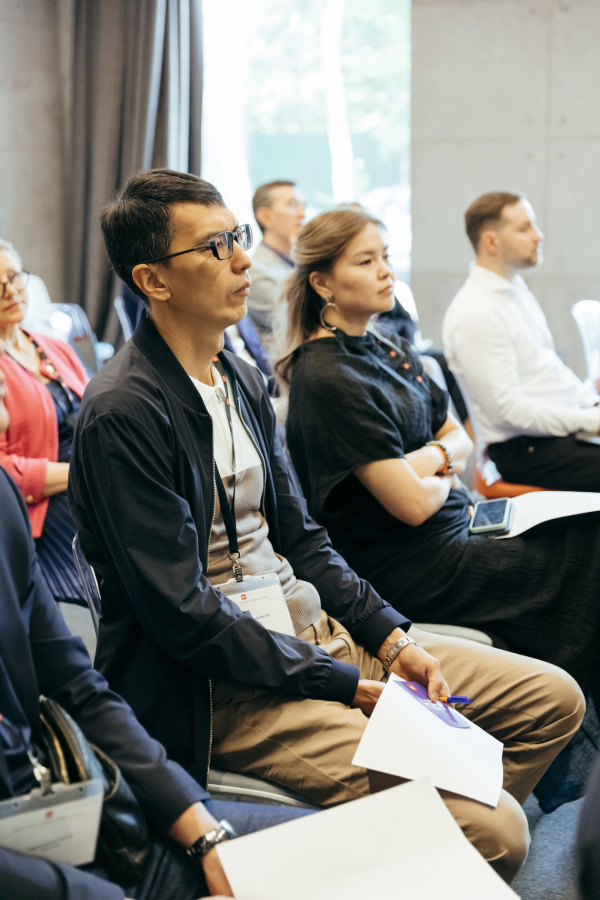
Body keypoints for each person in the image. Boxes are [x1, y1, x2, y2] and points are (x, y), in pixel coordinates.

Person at [68, 168, 584, 885]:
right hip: (230, 688)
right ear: (153, 280)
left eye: (237, 236)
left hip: (319, 637)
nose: (243, 259)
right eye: (215, 247)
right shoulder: (123, 412)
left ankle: (427, 866)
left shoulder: (239, 377)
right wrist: (341, 683)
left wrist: (392, 639)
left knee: (551, 701)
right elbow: (182, 613)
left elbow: (305, 538)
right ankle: (428, 856)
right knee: (496, 827)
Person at [0, 339, 311, 900]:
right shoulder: (123, 407)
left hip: (72, 813)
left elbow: (78, 689)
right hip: (36, 869)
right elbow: (185, 610)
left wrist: (204, 835)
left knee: (330, 855)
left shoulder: (1, 507)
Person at [278, 205, 600, 717]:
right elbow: (410, 506)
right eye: (366, 261)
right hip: (414, 561)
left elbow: (459, 437)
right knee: (588, 552)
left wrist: (430, 461)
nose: (386, 271)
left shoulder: (386, 344)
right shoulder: (327, 377)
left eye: (385, 256)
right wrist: (446, 470)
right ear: (323, 283)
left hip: (459, 522)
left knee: (585, 526)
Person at [442, 191, 600, 490]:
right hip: (525, 452)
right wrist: (591, 421)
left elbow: (551, 371)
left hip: (555, 436)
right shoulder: (477, 312)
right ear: (491, 241)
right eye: (524, 228)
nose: (538, 236)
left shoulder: (515, 290)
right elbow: (509, 412)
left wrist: (592, 404)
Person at [0, 239, 89, 606]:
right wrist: (80, 474)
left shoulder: (55, 347)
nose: (10, 291)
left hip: (91, 480)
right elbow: (3, 470)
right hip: (44, 505)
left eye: (14, 277)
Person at [247, 180, 306, 343]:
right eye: (293, 205)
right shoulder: (254, 272)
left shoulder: (295, 262)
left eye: (304, 206)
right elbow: (301, 322)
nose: (302, 214)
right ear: (266, 217)